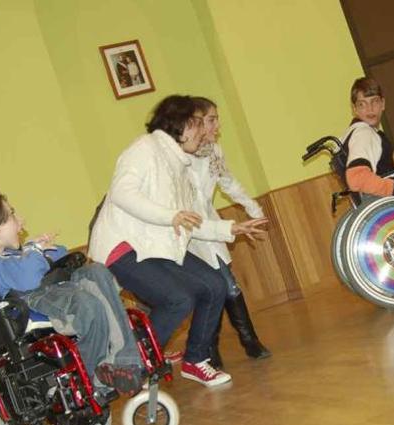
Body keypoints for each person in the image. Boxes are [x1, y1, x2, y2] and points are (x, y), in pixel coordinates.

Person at [88, 95, 267, 387]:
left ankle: (195, 360)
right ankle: (132, 364)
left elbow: (189, 221)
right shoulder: (144, 149)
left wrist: (231, 229)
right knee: (178, 299)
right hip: (123, 246)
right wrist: (170, 215)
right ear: (180, 126)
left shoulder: (181, 166)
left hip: (154, 246)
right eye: (197, 125)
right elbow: (122, 193)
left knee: (215, 284)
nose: (205, 132)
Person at [0, 190, 143, 397]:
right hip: (28, 303)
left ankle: (124, 363)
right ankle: (93, 376)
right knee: (88, 305)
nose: (20, 221)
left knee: (96, 272)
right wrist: (34, 250)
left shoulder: (12, 255)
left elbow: (59, 253)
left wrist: (40, 252)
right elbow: (28, 279)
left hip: (56, 289)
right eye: (12, 215)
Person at [187, 97, 271, 369]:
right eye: (211, 120)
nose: (216, 126)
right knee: (209, 289)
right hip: (188, 232)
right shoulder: (179, 158)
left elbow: (228, 183)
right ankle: (210, 347)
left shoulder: (214, 152)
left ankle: (248, 340)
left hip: (212, 227)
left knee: (227, 284)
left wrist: (253, 209)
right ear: (195, 123)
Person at [342, 77, 394, 208]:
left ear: (383, 104)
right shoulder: (363, 133)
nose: (370, 109)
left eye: (374, 102)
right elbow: (357, 178)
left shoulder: (353, 133)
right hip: (390, 198)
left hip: (383, 196)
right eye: (362, 104)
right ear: (355, 109)